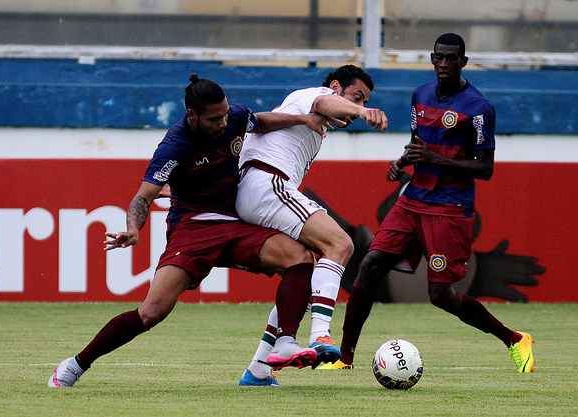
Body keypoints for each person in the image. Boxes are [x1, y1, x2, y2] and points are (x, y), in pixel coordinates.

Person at [48, 74, 340, 388]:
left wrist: (302, 119)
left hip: (234, 222)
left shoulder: (234, 118)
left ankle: (283, 345)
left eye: (226, 114)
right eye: (214, 119)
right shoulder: (175, 144)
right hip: (193, 228)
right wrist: (132, 229)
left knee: (299, 257)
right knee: (151, 312)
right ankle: (75, 365)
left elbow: (260, 121)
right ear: (192, 116)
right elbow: (143, 195)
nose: (223, 122)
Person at [320, 33, 535, 373]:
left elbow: (485, 168)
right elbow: (416, 143)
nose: (445, 64)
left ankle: (514, 339)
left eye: (452, 58)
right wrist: (403, 162)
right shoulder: (420, 95)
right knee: (370, 264)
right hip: (412, 199)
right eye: (440, 57)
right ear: (432, 58)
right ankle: (344, 358)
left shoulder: (478, 109)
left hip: (449, 208)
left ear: (463, 62)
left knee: (441, 295)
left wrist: (434, 157)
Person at [235, 65, 388, 383]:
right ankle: (321, 335)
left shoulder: (308, 123)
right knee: (341, 243)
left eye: (362, 102)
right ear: (336, 86)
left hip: (253, 191)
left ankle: (259, 369)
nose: (356, 108)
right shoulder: (314, 95)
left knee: (303, 276)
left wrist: (354, 106)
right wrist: (363, 110)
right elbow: (325, 104)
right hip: (267, 183)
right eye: (356, 97)